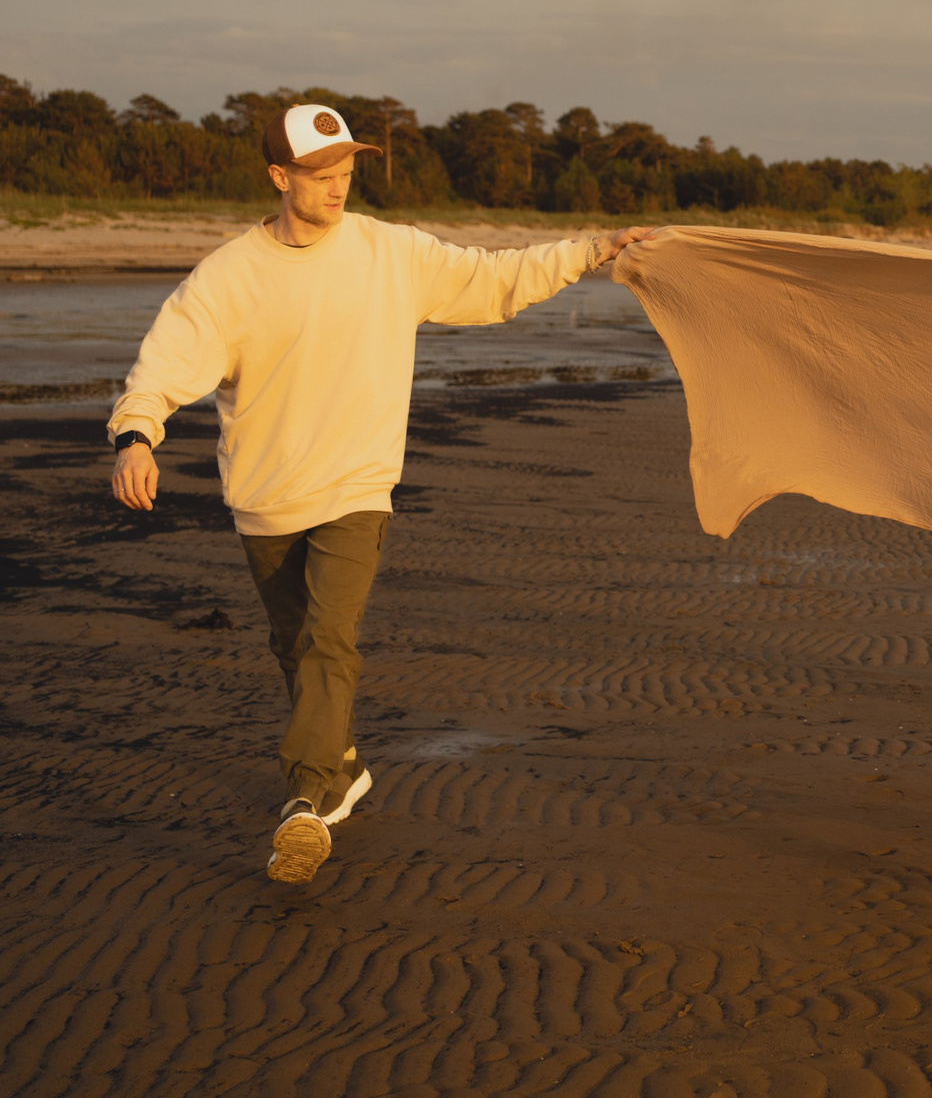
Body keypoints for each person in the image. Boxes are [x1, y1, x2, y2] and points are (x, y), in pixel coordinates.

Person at [107, 102, 657, 884]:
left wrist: (592, 249)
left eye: (348, 171)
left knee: (330, 640)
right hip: (265, 495)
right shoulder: (229, 277)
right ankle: (343, 763)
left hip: (357, 486)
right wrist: (136, 435)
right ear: (279, 176)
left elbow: (492, 279)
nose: (339, 186)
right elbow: (164, 365)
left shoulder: (387, 252)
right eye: (322, 174)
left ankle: (304, 801)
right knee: (294, 647)